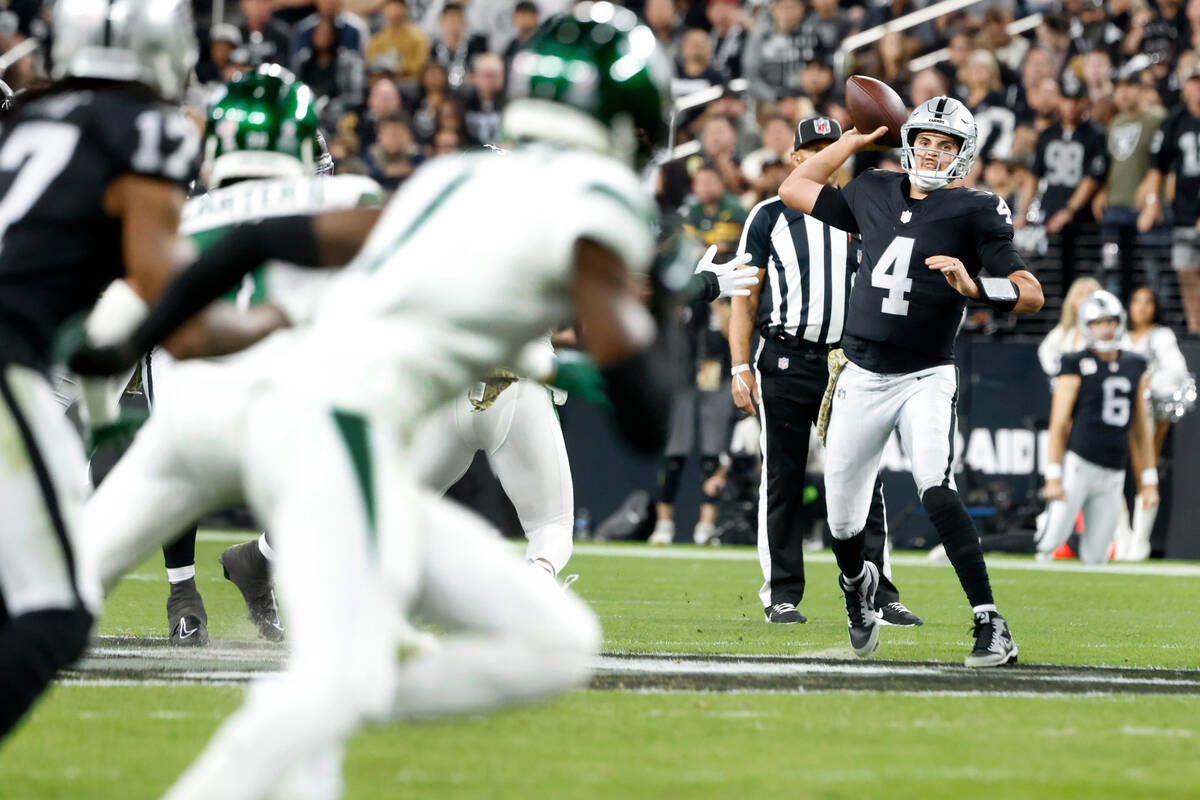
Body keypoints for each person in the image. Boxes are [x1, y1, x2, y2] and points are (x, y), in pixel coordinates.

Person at [68, 5, 677, 796]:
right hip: (333, 439)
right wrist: (664, 299)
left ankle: (317, 704)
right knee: (340, 682)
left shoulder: (453, 178)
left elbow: (255, 243)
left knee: (551, 642)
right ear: (630, 116)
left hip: (343, 440)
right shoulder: (593, 197)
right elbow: (645, 418)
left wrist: (124, 345)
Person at [778, 96, 1044, 666]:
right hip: (860, 371)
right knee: (842, 518)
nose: (931, 151)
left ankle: (990, 622)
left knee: (934, 484)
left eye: (945, 144)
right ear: (907, 140)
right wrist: (851, 140)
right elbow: (794, 189)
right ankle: (857, 589)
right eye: (925, 139)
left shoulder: (975, 209)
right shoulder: (872, 188)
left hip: (925, 374)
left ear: (963, 155)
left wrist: (976, 288)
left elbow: (1032, 292)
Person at [0, 0, 200, 740]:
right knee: (56, 615)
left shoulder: (25, 120)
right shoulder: (147, 130)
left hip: (30, 355)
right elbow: (168, 294)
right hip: (9, 361)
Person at [138, 66, 386, 648]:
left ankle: (257, 566)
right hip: (200, 366)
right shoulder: (197, 211)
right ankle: (185, 590)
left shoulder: (190, 209)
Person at [729, 116, 920, 627]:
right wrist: (737, 364)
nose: (822, 156)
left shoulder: (864, 211)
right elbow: (744, 300)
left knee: (865, 477)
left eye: (830, 147)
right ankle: (782, 594)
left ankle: (879, 589)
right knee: (783, 478)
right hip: (786, 359)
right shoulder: (768, 216)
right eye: (812, 149)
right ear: (795, 160)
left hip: (848, 362)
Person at [1037, 291, 1158, 564]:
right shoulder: (1075, 362)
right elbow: (1058, 424)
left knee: (1097, 555)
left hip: (1114, 471)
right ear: (1087, 326)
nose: (1105, 329)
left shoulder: (1134, 364)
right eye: (1098, 323)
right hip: (1078, 465)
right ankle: (983, 545)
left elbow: (1140, 429)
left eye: (1110, 321)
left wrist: (1149, 481)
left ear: (1119, 322)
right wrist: (1053, 474)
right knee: (1050, 540)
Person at [1114, 286, 1191, 560]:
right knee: (1111, 473)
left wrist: (1146, 385)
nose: (1142, 308)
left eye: (1148, 302)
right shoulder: (1119, 336)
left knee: (1145, 471)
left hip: (1150, 414)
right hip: (1118, 415)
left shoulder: (1161, 336)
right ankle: (1121, 536)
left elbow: (1177, 371)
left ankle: (1140, 540)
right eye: (1136, 301)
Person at [1023, 77, 1108, 291]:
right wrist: (1022, 212)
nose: (1071, 106)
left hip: (1083, 222)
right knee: (1051, 281)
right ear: (1059, 100)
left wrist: (1069, 210)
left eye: (1076, 100)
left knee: (1083, 281)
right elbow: (1034, 176)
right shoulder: (1048, 134)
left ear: (1085, 102)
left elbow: (1091, 179)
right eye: (1066, 99)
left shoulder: (1096, 134)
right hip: (1049, 218)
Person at [1138, 67, 1200, 336]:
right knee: (1186, 272)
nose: (1197, 89)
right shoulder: (1174, 121)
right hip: (1185, 212)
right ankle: (1196, 331)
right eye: (1193, 83)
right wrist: (1152, 201)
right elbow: (1157, 167)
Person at [1038, 276, 1102, 381]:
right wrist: (1060, 372)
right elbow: (1045, 351)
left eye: (1090, 294)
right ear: (1072, 302)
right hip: (1064, 386)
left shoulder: (1106, 329)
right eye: (1080, 295)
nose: (1086, 298)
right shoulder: (1063, 330)